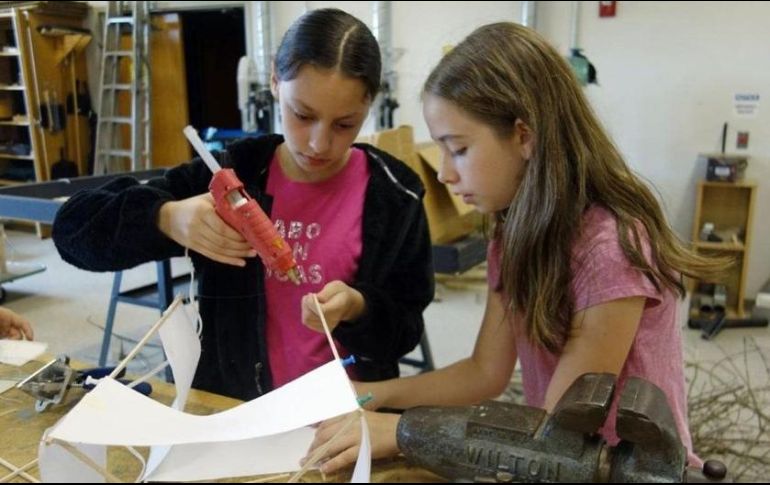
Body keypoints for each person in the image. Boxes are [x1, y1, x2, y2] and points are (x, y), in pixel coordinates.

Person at [304, 22, 727, 473]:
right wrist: (374, 395)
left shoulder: (610, 248)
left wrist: (405, 431)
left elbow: (559, 435)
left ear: (524, 137)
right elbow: (484, 372)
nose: (444, 173)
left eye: (458, 149)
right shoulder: (512, 236)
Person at [52, 8, 434, 401]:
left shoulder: (395, 196)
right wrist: (165, 218)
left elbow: (404, 329)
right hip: (233, 408)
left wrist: (358, 309)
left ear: (370, 104)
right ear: (275, 82)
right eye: (303, 115)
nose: (319, 144)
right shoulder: (231, 172)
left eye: (344, 124)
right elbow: (71, 231)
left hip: (344, 413)